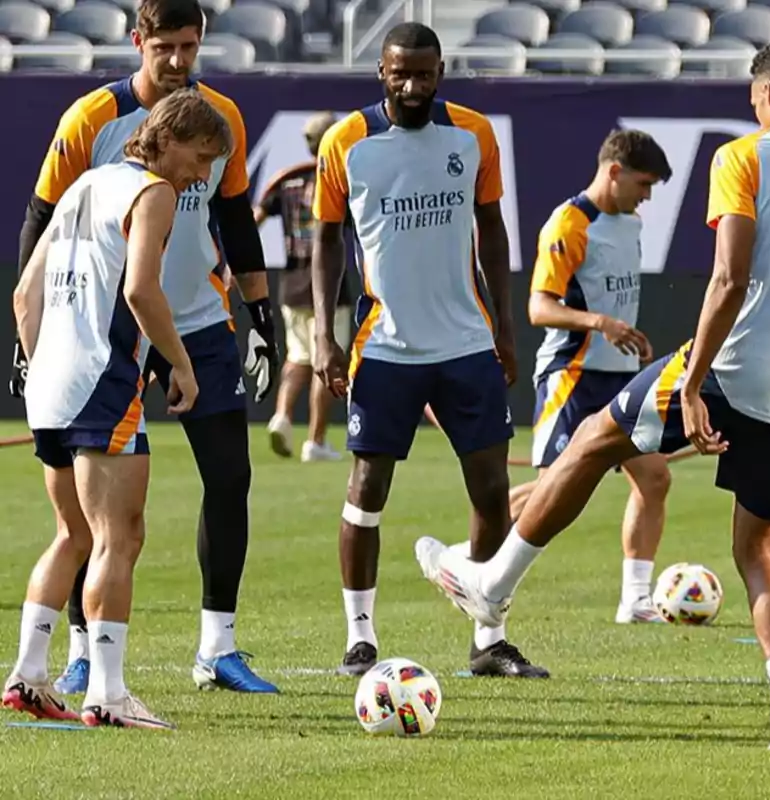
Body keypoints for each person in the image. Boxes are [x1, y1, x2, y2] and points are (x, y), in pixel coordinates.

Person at [414, 37, 770, 752]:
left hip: (733, 368)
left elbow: (727, 279)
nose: (754, 111)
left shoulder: (744, 157)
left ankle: (493, 585)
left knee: (591, 443)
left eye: (754, 101)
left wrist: (689, 381)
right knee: (759, 550)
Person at [8, 0, 280, 696]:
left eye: (190, 45)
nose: (179, 59)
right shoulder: (92, 120)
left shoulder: (222, 118)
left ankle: (217, 648)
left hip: (196, 319)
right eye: (166, 46)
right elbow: (41, 225)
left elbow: (234, 218)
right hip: (113, 332)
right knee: (97, 519)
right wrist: (32, 340)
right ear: (139, 42)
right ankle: (83, 661)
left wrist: (260, 311)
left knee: (229, 478)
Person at [311, 23, 545, 680]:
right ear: (380, 72)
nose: (412, 85)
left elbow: (492, 227)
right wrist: (324, 335)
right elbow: (327, 240)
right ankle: (360, 637)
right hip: (382, 344)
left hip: (467, 342)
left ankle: (489, 637)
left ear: (441, 69)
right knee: (367, 488)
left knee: (493, 489)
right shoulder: (347, 143)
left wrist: (503, 325)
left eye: (423, 73)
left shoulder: (474, 134)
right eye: (398, 74)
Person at [3, 90, 232, 729]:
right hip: (103, 384)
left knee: (73, 534)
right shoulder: (152, 192)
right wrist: (182, 366)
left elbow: (25, 295)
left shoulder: (85, 185)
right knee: (118, 537)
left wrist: (46, 363)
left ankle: (27, 677)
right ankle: (107, 694)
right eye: (202, 156)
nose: (203, 175)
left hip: (50, 383)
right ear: (170, 138)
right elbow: (139, 290)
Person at [508, 129, 675, 624]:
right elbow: (539, 307)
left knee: (655, 478)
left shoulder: (631, 223)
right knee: (551, 493)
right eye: (643, 184)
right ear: (615, 171)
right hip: (573, 375)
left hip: (619, 376)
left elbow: (611, 295)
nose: (647, 196)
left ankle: (636, 600)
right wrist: (599, 324)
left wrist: (626, 333)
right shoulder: (569, 223)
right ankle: (469, 553)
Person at [259, 111, 354, 463]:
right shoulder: (339, 180)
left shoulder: (289, 179)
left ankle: (282, 416)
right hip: (328, 287)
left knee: (298, 358)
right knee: (326, 362)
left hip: (291, 286)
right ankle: (315, 440)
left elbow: (256, 216)